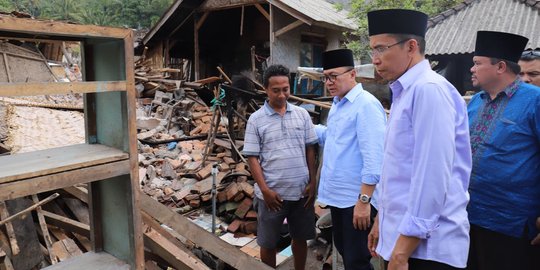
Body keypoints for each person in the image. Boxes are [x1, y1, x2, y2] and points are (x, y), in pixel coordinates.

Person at [366, 9, 472, 270]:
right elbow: (400, 171)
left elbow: (432, 177)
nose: (375, 60)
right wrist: (382, 219)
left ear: (411, 46)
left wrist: (401, 252)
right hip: (406, 240)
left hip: (428, 249)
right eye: (373, 51)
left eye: (381, 49)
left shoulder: (428, 91)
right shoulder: (405, 92)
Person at [467, 31, 540, 270]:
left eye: (477, 63)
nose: (472, 69)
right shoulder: (476, 101)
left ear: (500, 67)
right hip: (468, 216)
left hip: (512, 223)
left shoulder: (535, 100)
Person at [315, 48, 386, 270]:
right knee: (347, 253)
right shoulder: (338, 104)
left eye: (334, 76)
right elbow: (333, 137)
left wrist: (364, 201)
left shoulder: (365, 104)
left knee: (357, 260)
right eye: (326, 77)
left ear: (352, 74)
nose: (329, 82)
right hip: (338, 198)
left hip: (356, 200)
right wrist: (305, 127)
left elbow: (375, 157)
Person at [243, 64, 318, 269]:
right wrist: (265, 190)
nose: (282, 95)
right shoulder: (256, 120)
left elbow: (310, 149)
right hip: (271, 197)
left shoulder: (302, 115)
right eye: (276, 90)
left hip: (301, 193)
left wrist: (313, 182)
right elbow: (252, 158)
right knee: (268, 243)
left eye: (286, 89)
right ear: (266, 89)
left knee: (300, 238)